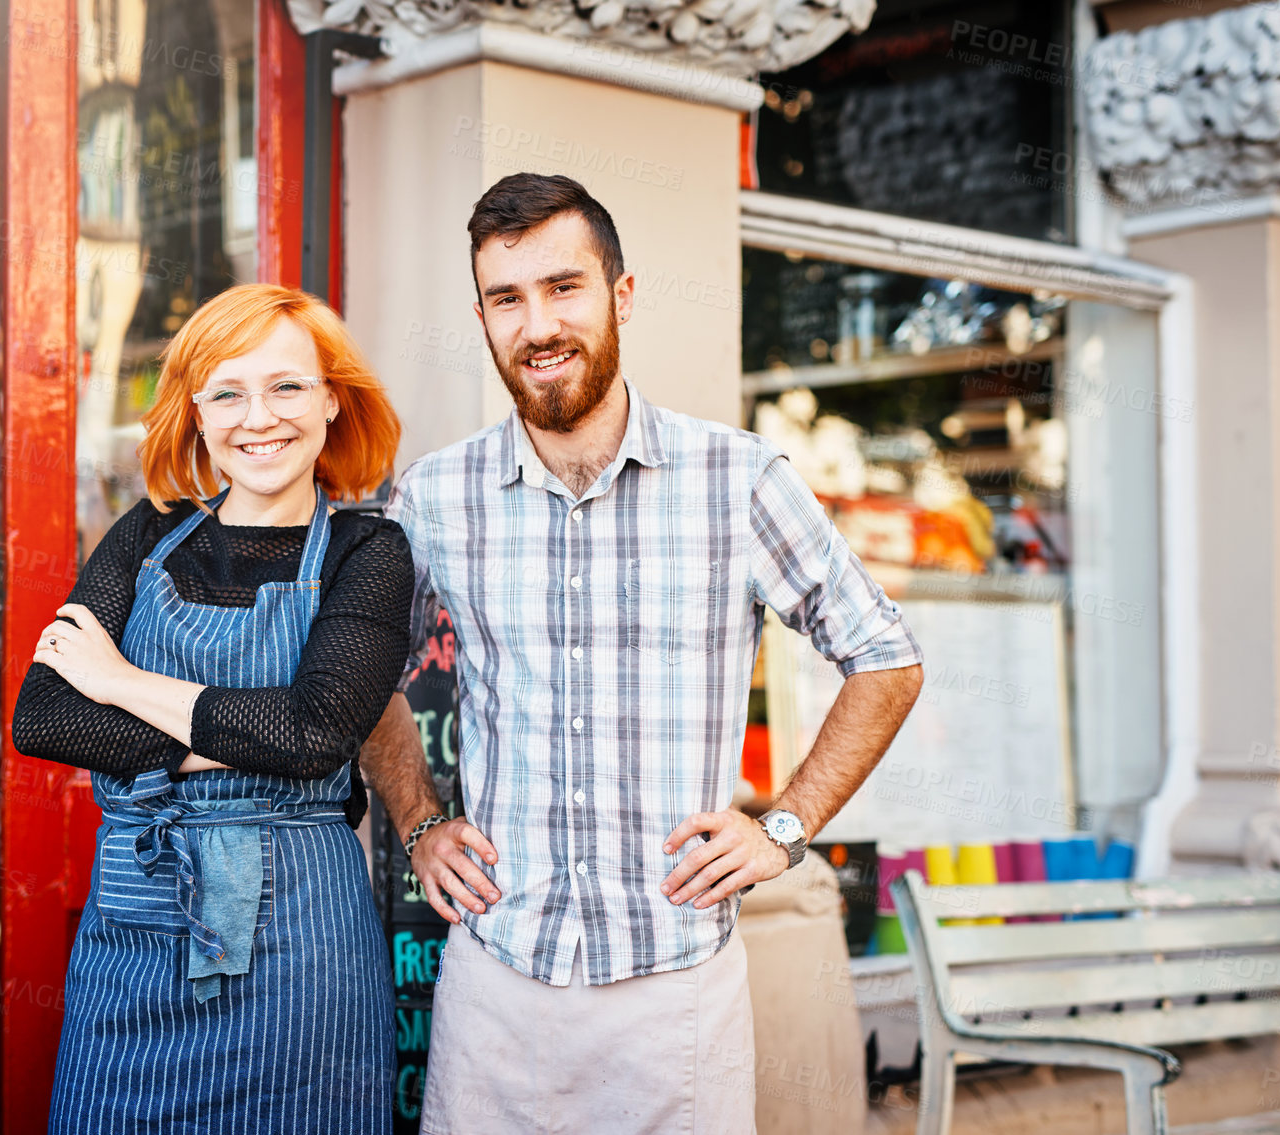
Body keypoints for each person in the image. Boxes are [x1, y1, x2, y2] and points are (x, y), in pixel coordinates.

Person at [360, 173, 927, 1133]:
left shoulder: (738, 480)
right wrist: (417, 819)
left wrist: (783, 827)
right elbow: (362, 677)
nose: (537, 324)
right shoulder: (433, 495)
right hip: (496, 985)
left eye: (563, 287)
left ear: (621, 295)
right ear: (483, 316)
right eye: (508, 298)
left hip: (677, 993)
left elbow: (885, 656)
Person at [9, 283, 409, 1135]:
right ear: (196, 413)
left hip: (301, 952)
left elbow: (313, 734)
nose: (256, 416)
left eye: (286, 386)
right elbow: (42, 716)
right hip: (135, 932)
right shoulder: (145, 532)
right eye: (227, 391)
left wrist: (117, 681)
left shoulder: (368, 549)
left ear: (333, 400)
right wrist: (242, 733)